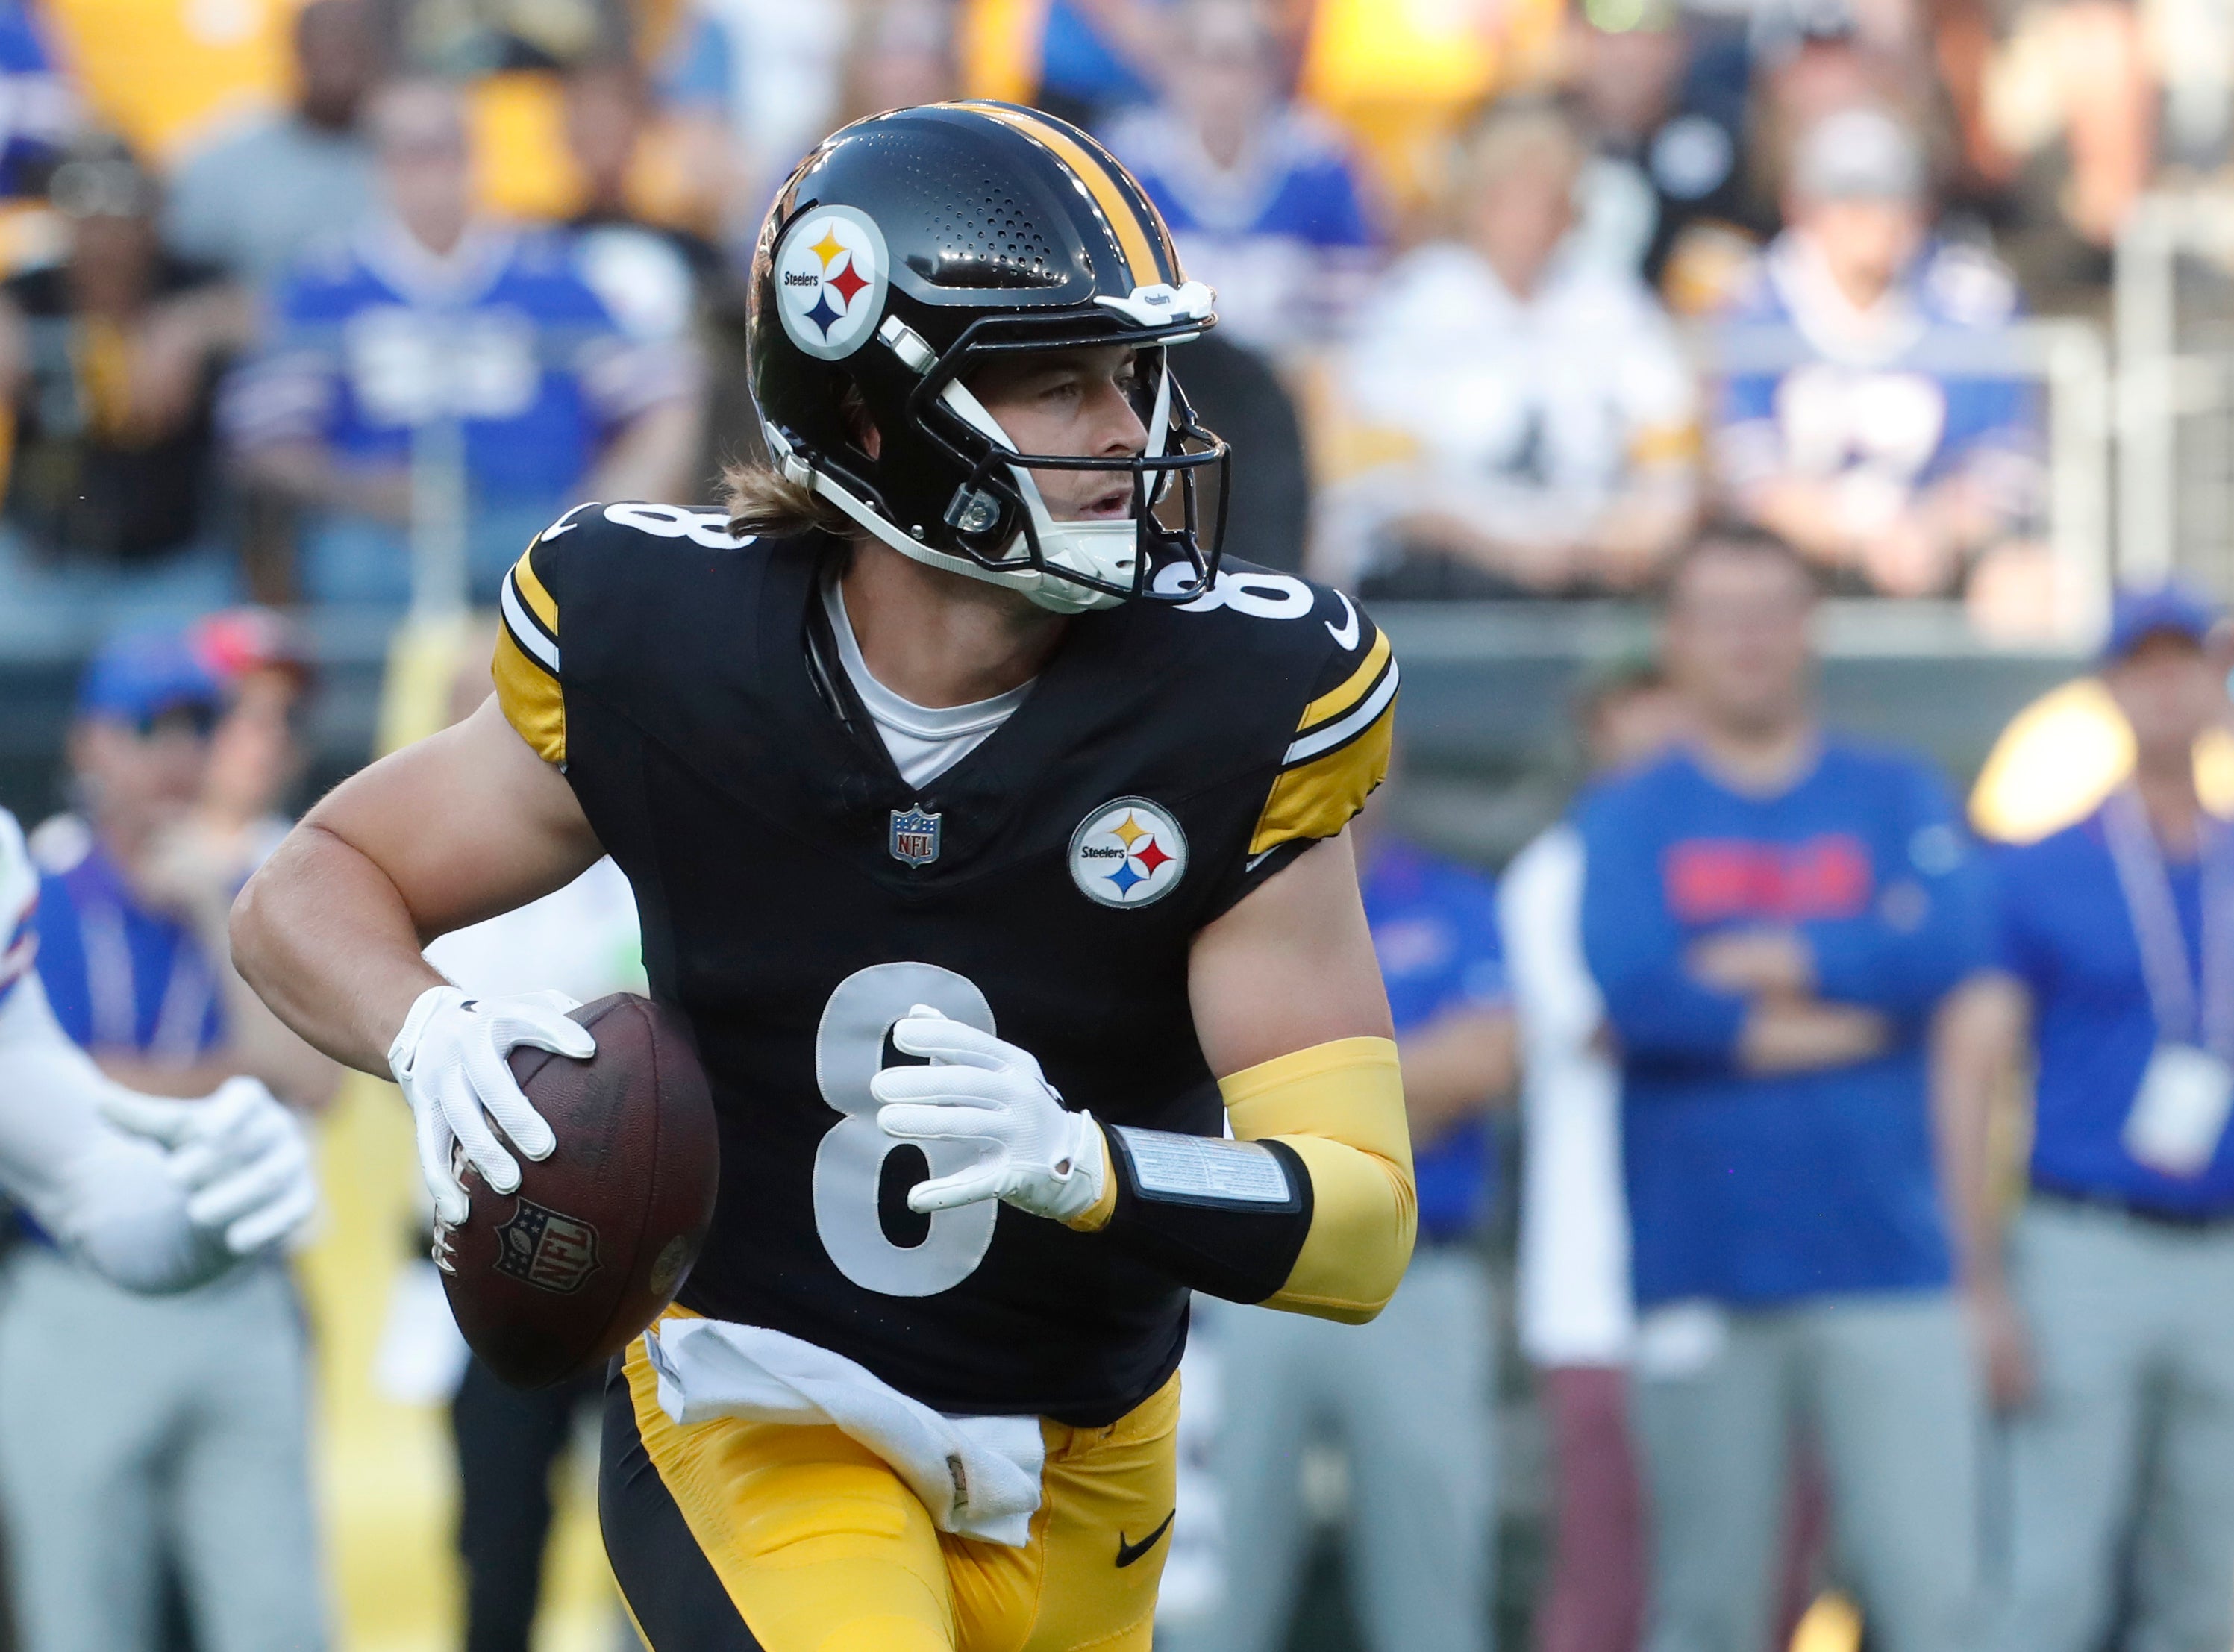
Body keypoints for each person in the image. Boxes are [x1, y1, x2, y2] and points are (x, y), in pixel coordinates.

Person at [231, 102, 1413, 1652]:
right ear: (869, 414)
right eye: (1057, 377)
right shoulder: (667, 644)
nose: (1129, 429)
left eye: (1134, 375)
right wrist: (433, 1031)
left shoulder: (1235, 704)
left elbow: (1363, 1223)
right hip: (766, 1401)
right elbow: (305, 889)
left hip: (1079, 1461)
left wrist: (1087, 1166)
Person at [1579, 528, 1994, 1652]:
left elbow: (1950, 949)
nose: (1748, 639)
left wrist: (1769, 962)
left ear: (1809, 625)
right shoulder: (1629, 813)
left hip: (1891, 1265)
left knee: (1938, 1600)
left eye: (1770, 609)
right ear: (1675, 638)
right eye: (1720, 612)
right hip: (1704, 1266)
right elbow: (1640, 995)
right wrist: (1859, 1002)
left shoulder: (1892, 787)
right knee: (1708, 1610)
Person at [0, 628, 331, 1652]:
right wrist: (228, 1076)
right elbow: (57, 1087)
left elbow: (314, 1079)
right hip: (71, 1297)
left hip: (239, 1292)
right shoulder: (44, 877)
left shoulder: (252, 883)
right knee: (81, 1615)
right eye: (152, 726)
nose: (179, 754)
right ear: (93, 742)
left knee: (277, 1618)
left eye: (202, 724)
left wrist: (208, 906)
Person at [1171, 764, 1516, 1652]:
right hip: (1240, 1276)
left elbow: (1488, 1061)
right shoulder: (1214, 893)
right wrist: (1380, 1103)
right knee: (1214, 1583)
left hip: (1415, 1268)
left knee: (1433, 1580)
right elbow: (1182, 1097)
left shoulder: (1451, 898)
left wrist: (1289, 1110)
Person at [1952, 586, 2234, 1652]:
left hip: (2220, 1252)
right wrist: (1978, 1279)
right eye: (2144, 665)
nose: (2168, 686)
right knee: (2048, 1577)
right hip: (2084, 1243)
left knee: (2205, 1593)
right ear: (2110, 688)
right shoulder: (2038, 867)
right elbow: (1970, 1072)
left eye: (2188, 663)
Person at [222, 76, 701, 607]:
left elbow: (663, 400)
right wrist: (356, 489)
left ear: (473, 155)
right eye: (409, 151)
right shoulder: (327, 285)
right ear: (376, 163)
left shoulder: (547, 271)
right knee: (349, 572)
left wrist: (603, 504)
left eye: (445, 147)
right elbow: (262, 439)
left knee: (568, 575)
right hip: (378, 534)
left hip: (533, 516)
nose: (430, 171)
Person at [1326, 100, 1698, 599]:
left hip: (1595, 567)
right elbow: (1382, 485)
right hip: (1452, 569)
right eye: (1511, 197)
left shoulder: (1612, 303)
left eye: (1550, 200)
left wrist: (1630, 537)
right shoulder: (1417, 302)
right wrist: (1510, 551)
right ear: (1476, 202)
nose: (1531, 219)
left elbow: (1669, 461)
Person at [1506, 661, 1690, 1652]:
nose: (1657, 724)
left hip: (1736, 1278)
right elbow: (1624, 1023)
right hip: (1595, 1289)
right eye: (1636, 701)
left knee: (1749, 1575)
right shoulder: (1558, 870)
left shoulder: (1730, 845)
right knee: (1601, 1580)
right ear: (1599, 723)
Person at [1713, 105, 2044, 599]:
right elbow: (1743, 467)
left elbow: (2008, 459)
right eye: (1850, 200)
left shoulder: (1973, 301)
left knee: (2028, 587)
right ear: (1801, 208)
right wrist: (1852, 537)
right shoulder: (1752, 302)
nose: (1875, 221)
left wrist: (1934, 532)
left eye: (1893, 199)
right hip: (1791, 554)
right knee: (1732, 584)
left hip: (1941, 550)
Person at [0, 139, 253, 620]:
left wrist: (189, 327)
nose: (106, 244)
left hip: (171, 564)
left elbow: (262, 312)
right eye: (90, 223)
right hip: (39, 562)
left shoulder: (190, 284)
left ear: (150, 224)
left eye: (121, 223)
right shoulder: (30, 293)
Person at [1101, 0, 1381, 354]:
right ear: (1172, 65)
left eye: (1238, 62)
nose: (1222, 85)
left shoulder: (1320, 163)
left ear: (1270, 69)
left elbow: (1348, 322)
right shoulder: (1126, 162)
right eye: (1202, 61)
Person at [162, 0, 380, 292]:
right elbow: (182, 255)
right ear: (296, 51)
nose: (338, 61)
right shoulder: (228, 156)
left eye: (351, 46)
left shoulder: (409, 153)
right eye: (326, 44)